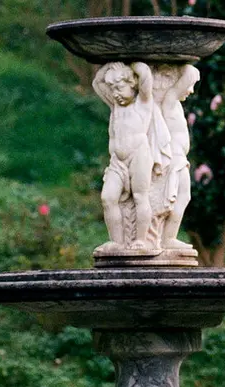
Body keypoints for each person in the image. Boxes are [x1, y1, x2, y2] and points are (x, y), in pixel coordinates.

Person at [92, 62, 157, 251]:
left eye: (119, 88)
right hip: (117, 161)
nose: (115, 94)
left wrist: (131, 62)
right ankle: (117, 242)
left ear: (132, 85)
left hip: (138, 156)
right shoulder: (115, 106)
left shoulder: (143, 103)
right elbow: (97, 83)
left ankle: (141, 240)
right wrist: (111, 65)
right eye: (113, 89)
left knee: (140, 197)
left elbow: (145, 73)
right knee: (108, 198)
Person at [156, 65, 200, 249]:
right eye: (190, 85)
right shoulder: (170, 101)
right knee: (179, 197)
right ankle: (167, 238)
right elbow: (185, 77)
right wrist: (188, 69)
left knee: (184, 197)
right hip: (173, 159)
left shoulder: (177, 106)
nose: (191, 91)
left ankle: (168, 237)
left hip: (180, 159)